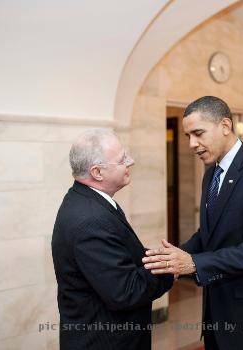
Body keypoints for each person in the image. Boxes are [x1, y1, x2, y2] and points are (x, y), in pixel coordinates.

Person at [143, 96, 243, 350]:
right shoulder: (211, 172)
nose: (192, 144)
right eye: (188, 135)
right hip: (217, 313)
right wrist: (177, 256)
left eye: (198, 133)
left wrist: (194, 263)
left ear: (225, 125)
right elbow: (209, 233)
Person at [52, 128, 173, 350]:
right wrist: (170, 268)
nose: (131, 161)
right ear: (97, 172)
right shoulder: (90, 220)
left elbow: (124, 254)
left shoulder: (89, 201)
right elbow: (126, 292)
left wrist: (163, 255)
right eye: (122, 159)